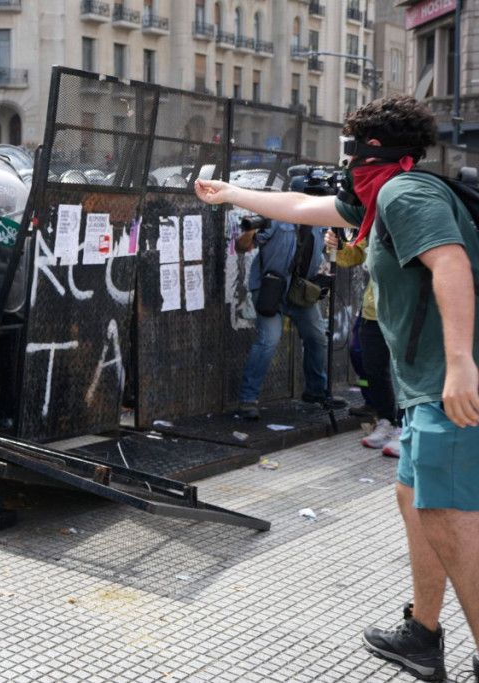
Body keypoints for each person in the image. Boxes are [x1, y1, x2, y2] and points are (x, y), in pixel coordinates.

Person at [195, 94, 479, 682]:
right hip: (425, 386)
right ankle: (423, 634)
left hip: (447, 386)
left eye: (349, 148)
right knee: (415, 501)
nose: (344, 161)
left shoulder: (405, 194)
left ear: (370, 147)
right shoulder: (382, 195)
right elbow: (302, 205)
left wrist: (459, 365)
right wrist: (229, 193)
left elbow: (451, 264)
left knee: (449, 515)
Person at [232, 203, 346, 420]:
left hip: (300, 291)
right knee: (268, 341)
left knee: (317, 337)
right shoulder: (275, 216)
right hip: (271, 290)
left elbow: (331, 248)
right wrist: (250, 231)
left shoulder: (319, 220)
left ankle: (315, 392)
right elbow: (241, 247)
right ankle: (248, 399)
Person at [325, 232, 402, 456]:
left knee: (404, 373)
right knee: (372, 365)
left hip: (406, 311)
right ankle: (386, 420)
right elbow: (352, 256)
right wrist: (339, 245)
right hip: (373, 310)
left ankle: (405, 428)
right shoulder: (371, 223)